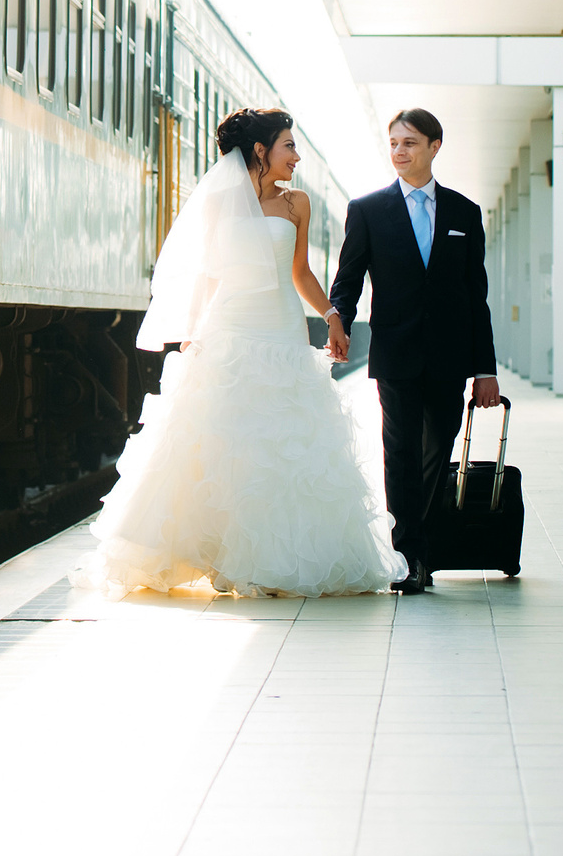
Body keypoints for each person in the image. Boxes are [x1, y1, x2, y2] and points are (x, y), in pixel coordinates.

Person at [78, 108, 396, 597]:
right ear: (261, 151)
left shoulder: (297, 205)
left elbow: (301, 273)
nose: (296, 156)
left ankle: (276, 560)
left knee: (284, 442)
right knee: (224, 442)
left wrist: (332, 316)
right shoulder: (218, 202)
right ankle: (217, 553)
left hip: (283, 328)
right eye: (289, 145)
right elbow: (205, 274)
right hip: (229, 326)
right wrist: (193, 335)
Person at [329, 109, 501, 596]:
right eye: (394, 143)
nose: (400, 151)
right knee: (400, 452)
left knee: (439, 443)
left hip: (450, 356)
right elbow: (349, 277)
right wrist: (336, 316)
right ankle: (410, 556)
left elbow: (475, 294)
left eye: (410, 143)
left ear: (434, 146)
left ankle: (416, 539)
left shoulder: (465, 212)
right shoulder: (367, 209)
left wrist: (484, 369)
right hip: (396, 352)